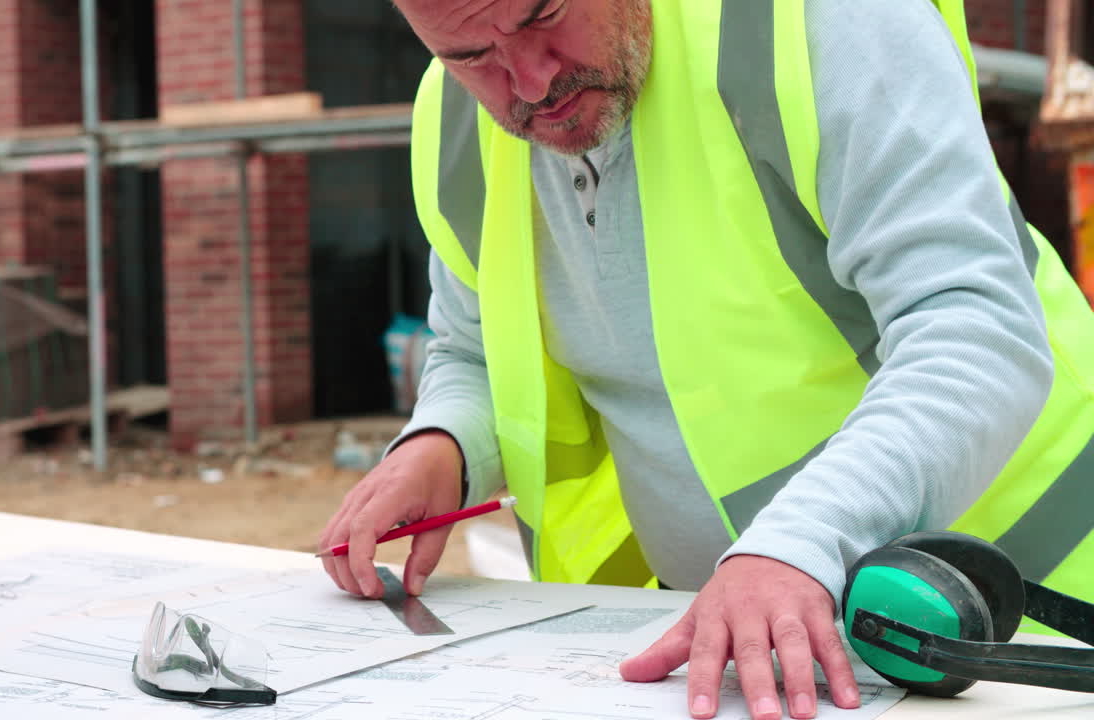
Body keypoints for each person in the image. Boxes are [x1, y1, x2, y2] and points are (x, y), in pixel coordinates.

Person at [319, 1, 1094, 718]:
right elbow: (477, 348)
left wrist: (799, 542)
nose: (530, 79)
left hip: (1034, 624)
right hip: (780, 642)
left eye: (544, 14)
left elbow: (973, 327)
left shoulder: (821, 21)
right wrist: (444, 445)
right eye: (469, 54)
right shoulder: (453, 117)